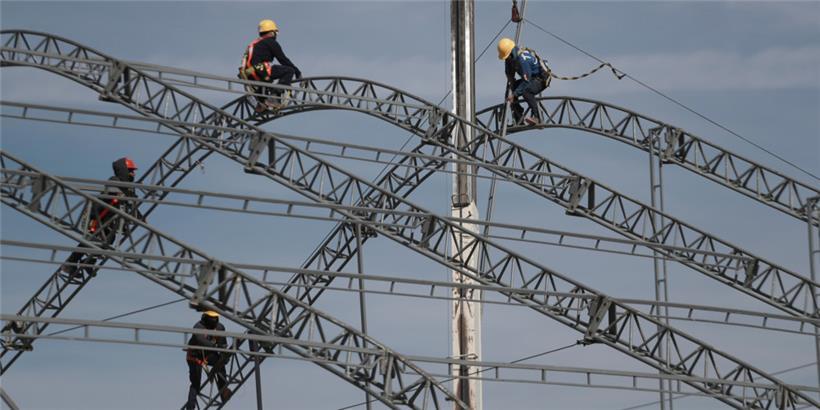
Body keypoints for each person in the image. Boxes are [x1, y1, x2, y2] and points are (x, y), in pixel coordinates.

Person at [62, 157, 142, 277]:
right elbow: (114, 194)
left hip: (108, 221)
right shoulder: (114, 181)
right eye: (130, 170)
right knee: (91, 240)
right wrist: (122, 195)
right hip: (97, 216)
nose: (133, 173)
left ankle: (88, 262)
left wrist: (139, 216)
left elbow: (129, 204)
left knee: (109, 240)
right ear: (123, 170)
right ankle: (70, 263)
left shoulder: (128, 188)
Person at [239, 19, 302, 113]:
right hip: (260, 70)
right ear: (272, 32)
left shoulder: (253, 44)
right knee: (289, 70)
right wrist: (297, 72)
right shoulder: (270, 42)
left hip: (250, 75)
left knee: (263, 84)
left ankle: (262, 104)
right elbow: (283, 59)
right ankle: (274, 97)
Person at [185, 311, 231, 409]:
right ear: (205, 318)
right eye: (211, 319)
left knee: (221, 364)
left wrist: (224, 355)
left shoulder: (220, 328)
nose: (213, 321)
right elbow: (201, 340)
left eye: (214, 319)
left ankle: (223, 391)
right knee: (196, 383)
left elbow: (222, 343)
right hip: (195, 356)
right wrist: (215, 346)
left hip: (207, 355)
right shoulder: (198, 327)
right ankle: (190, 407)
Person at [498, 37, 547, 125]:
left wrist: (514, 94)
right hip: (530, 78)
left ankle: (537, 117)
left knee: (526, 92)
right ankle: (518, 119)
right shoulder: (510, 58)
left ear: (511, 53)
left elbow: (526, 80)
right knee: (510, 92)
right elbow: (509, 73)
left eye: (507, 56)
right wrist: (511, 86)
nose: (507, 59)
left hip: (540, 79)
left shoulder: (522, 60)